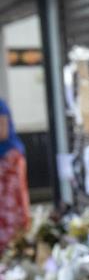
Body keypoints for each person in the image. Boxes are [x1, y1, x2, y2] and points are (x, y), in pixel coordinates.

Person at [0, 97, 30, 254]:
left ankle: (13, 248)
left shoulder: (0, 104)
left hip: (8, 160)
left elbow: (2, 132)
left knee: (11, 207)